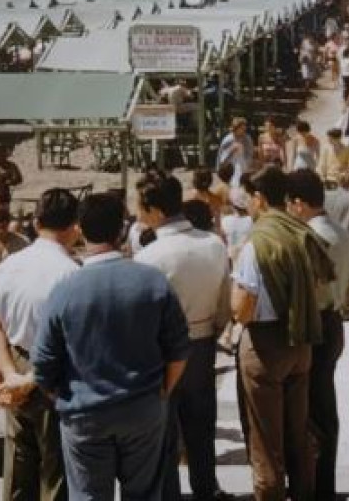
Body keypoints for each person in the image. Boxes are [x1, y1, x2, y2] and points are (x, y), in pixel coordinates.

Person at [34, 192, 192, 501]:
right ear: (122, 229)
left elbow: (42, 366)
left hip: (85, 415)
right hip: (143, 408)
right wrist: (162, 393)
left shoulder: (65, 290)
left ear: (79, 228)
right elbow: (178, 349)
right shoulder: (153, 282)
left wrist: (67, 399)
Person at [133, 173, 232, 501]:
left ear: (156, 211)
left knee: (163, 434)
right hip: (203, 344)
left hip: (161, 351)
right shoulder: (214, 245)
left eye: (141, 207)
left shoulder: (149, 257)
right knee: (201, 428)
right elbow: (224, 305)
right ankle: (206, 489)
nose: (137, 213)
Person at [0, 188, 82, 501]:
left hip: (16, 359)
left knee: (19, 462)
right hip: (56, 373)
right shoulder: (72, 274)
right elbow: (73, 340)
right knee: (56, 469)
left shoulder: (7, 267)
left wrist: (10, 374)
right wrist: (31, 378)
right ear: (74, 226)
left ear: (37, 221)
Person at [230, 166, 324, 501]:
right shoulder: (300, 233)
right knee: (297, 434)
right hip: (300, 342)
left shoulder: (258, 242)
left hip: (265, 345)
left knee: (265, 444)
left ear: (259, 198)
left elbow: (242, 308)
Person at [285, 168, 349, 499]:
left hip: (316, 324)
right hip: (333, 321)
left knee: (310, 410)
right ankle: (323, 483)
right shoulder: (340, 231)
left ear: (298, 204)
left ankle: (314, 486)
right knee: (324, 404)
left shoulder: (310, 238)